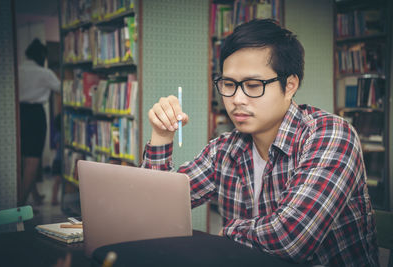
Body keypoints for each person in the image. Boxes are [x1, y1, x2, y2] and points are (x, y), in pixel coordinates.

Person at [143, 19, 378, 266]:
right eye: (229, 85)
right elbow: (155, 209)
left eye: (253, 85)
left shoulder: (330, 135)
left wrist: (227, 233)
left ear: (289, 86)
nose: (237, 99)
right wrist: (161, 135)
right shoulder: (225, 149)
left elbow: (291, 239)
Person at [18, 38, 60, 206]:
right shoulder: (44, 73)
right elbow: (60, 88)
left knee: (23, 157)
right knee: (33, 158)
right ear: (42, 56)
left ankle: (33, 195)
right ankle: (20, 204)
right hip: (35, 115)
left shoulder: (17, 69)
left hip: (19, 112)